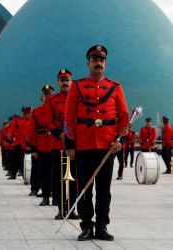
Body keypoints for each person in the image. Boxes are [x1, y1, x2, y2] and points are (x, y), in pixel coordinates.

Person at [64, 45, 129, 241]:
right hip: (83, 146)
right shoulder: (77, 86)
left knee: (104, 190)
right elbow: (68, 117)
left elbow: (125, 116)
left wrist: (121, 139)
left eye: (101, 60)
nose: (98, 63)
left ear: (105, 63)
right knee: (84, 188)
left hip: (107, 146)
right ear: (88, 63)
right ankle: (86, 226)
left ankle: (101, 226)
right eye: (94, 59)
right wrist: (70, 144)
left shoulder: (115, 87)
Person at [44, 69, 78, 220]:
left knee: (73, 178)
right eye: (62, 80)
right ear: (58, 83)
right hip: (58, 144)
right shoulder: (51, 100)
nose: (65, 82)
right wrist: (60, 134)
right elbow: (48, 121)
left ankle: (72, 209)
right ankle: (62, 209)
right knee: (60, 178)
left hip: (76, 145)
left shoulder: (78, 98)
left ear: (71, 81)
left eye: (67, 79)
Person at [28, 84, 55, 204]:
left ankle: (56, 197)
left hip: (56, 144)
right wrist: (34, 148)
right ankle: (45, 197)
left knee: (57, 173)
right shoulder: (36, 112)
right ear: (42, 98)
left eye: (50, 94)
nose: (47, 96)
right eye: (45, 94)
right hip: (42, 146)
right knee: (44, 173)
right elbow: (32, 130)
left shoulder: (59, 109)